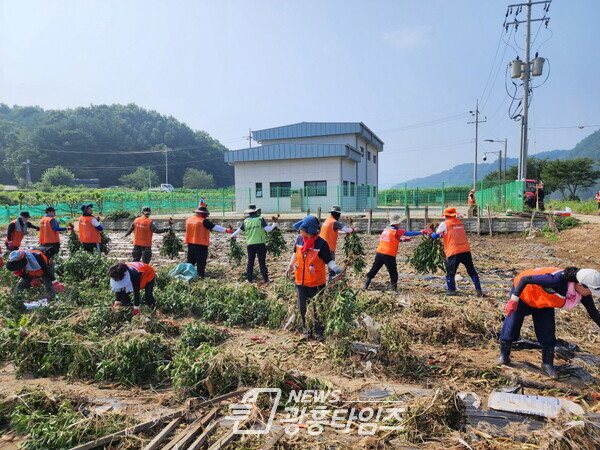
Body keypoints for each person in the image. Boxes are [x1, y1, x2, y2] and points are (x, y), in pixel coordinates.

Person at [499, 267, 600, 379]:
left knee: (547, 332)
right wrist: (513, 300)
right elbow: (525, 279)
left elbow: (594, 313)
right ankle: (504, 356)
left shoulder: (582, 292)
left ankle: (547, 364)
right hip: (524, 294)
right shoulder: (555, 280)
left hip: (544, 300)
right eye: (591, 290)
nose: (592, 294)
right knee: (512, 326)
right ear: (580, 285)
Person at [286, 215, 343, 339]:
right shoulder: (299, 240)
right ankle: (306, 328)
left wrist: (336, 269)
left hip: (316, 282)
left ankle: (319, 330)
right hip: (300, 281)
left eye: (302, 228)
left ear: (309, 230)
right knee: (302, 307)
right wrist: (290, 266)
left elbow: (328, 260)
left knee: (317, 307)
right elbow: (295, 254)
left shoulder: (321, 243)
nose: (300, 230)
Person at [364, 214, 430, 291]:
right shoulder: (396, 230)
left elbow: (390, 239)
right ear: (396, 223)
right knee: (393, 273)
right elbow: (410, 233)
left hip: (379, 253)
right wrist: (422, 231)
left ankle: (365, 285)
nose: (400, 224)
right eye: (399, 222)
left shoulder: (386, 230)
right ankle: (394, 289)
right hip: (389, 254)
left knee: (374, 269)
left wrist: (403, 240)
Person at [431, 207, 483, 296]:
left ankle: (451, 290)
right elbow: (452, 234)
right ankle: (479, 290)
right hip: (465, 250)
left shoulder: (445, 223)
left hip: (454, 251)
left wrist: (430, 234)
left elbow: (435, 235)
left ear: (446, 215)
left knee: (450, 272)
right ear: (454, 214)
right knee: (471, 271)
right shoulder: (459, 222)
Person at [229, 204, 278, 284]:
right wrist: (274, 225)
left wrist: (231, 236)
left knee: (250, 262)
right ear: (256, 211)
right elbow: (268, 230)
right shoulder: (260, 219)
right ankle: (266, 280)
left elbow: (239, 231)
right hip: (260, 244)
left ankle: (249, 279)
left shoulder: (246, 221)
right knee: (262, 262)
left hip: (250, 244)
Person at [185, 206, 232, 278]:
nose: (206, 216)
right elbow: (214, 227)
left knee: (191, 261)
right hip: (201, 244)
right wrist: (226, 230)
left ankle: (188, 276)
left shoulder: (189, 220)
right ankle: (200, 277)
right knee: (201, 262)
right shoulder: (203, 221)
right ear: (201, 214)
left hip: (190, 243)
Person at [319, 206, 355, 281]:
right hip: (328, 246)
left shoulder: (327, 221)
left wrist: (344, 233)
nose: (339, 216)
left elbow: (334, 231)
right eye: (339, 214)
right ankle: (331, 281)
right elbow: (346, 229)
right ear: (337, 214)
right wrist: (352, 229)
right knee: (331, 264)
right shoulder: (334, 222)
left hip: (321, 246)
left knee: (322, 264)